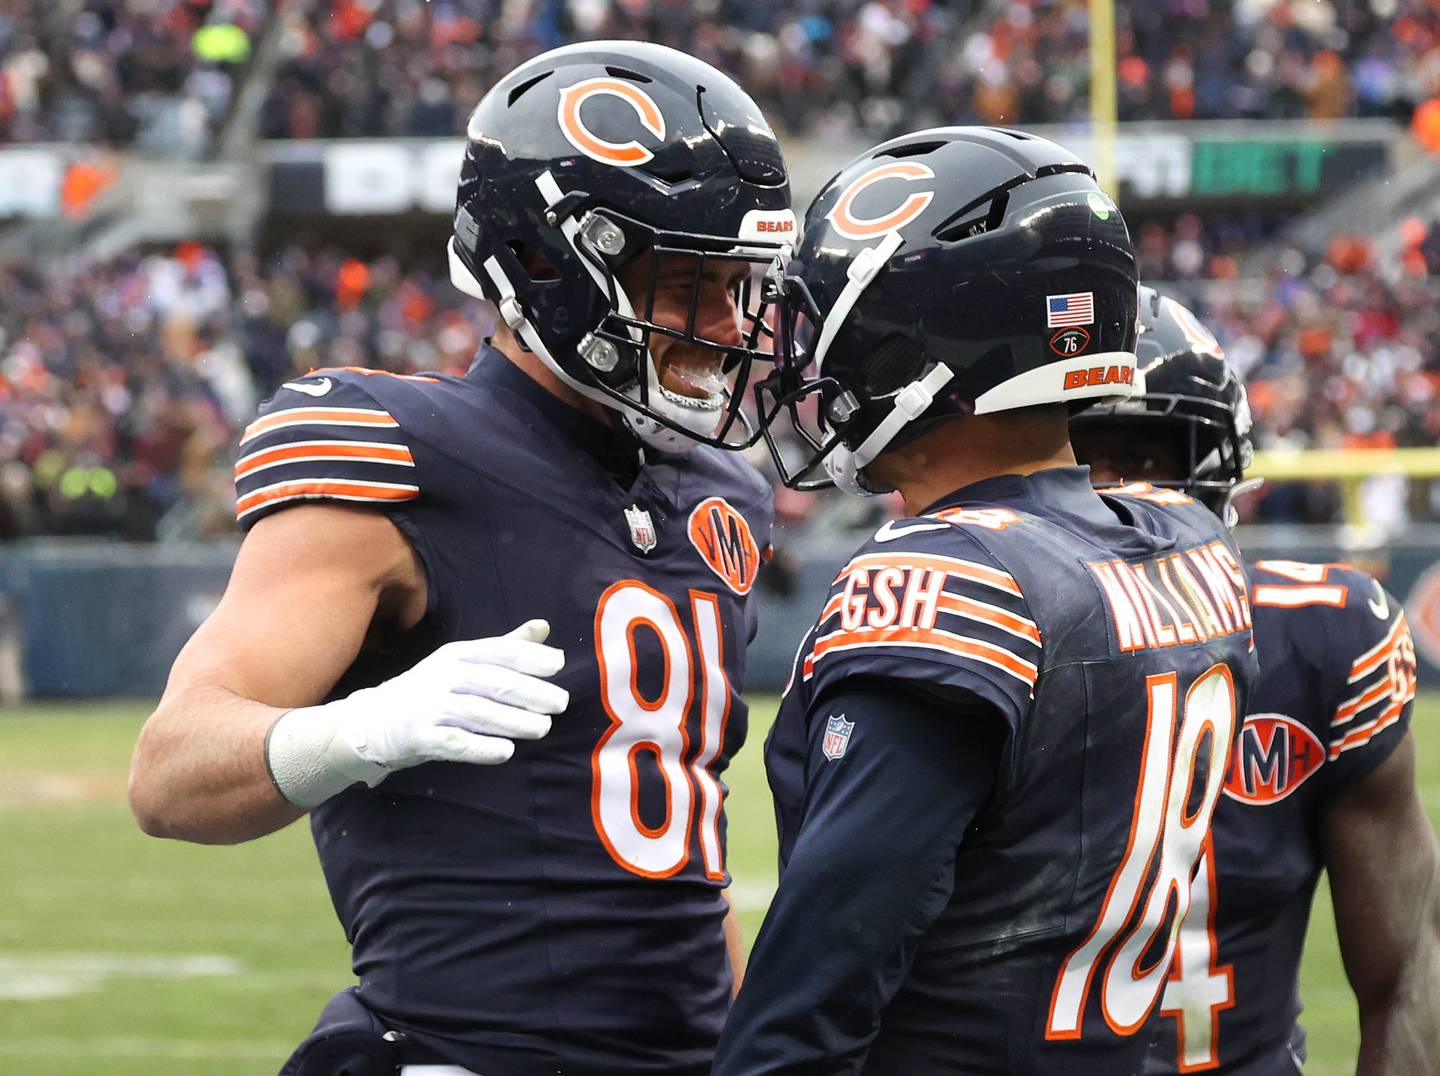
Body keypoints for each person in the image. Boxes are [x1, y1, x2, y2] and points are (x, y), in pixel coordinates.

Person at [128, 41, 795, 1076]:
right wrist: (356, 729)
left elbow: (676, 857)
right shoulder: (401, 451)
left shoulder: (721, 495)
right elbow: (169, 771)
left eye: (740, 284)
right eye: (686, 284)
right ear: (547, 263)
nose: (726, 325)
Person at [712, 126, 1259, 1075]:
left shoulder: (949, 583)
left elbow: (813, 998)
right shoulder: (1190, 543)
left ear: (922, 343)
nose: (807, 361)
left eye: (831, 324)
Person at [1068, 287, 1438, 1075]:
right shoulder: (957, 648)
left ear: (1211, 470)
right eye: (1072, 461)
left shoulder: (1319, 642)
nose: (1108, 498)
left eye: (1140, 460)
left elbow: (1408, 973)